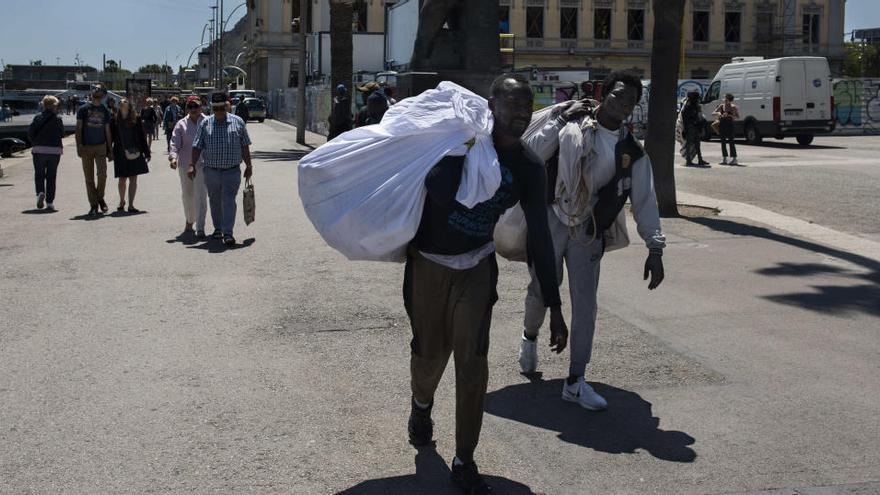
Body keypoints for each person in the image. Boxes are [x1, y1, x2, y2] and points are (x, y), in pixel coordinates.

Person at [405, 74, 568, 494]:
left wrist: (553, 304)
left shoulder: (529, 168)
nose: (520, 114)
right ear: (491, 105)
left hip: (477, 266)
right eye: (511, 104)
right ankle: (421, 405)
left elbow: (541, 238)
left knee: (472, 361)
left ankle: (464, 459)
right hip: (428, 263)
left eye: (526, 106)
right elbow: (439, 192)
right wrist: (465, 149)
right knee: (429, 354)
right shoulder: (463, 144)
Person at [518, 70, 666, 411]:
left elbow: (645, 201)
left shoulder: (632, 152)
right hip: (553, 219)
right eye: (618, 96)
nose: (622, 104)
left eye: (630, 101)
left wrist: (655, 248)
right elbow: (532, 155)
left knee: (585, 305)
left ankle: (575, 380)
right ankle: (529, 337)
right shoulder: (572, 122)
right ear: (604, 94)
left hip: (589, 231)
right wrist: (559, 121)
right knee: (541, 287)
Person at [191, 92, 253, 246]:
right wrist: (192, 165)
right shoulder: (205, 124)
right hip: (211, 171)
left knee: (229, 200)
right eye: (215, 108)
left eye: (221, 108)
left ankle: (228, 232)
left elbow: (245, 145)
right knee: (215, 200)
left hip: (232, 170)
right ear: (212, 108)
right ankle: (218, 228)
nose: (218, 111)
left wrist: (249, 165)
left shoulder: (238, 122)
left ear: (226, 106)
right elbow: (197, 146)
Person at [170, 96, 209, 237]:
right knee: (187, 195)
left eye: (196, 106)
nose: (193, 109)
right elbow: (174, 142)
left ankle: (200, 227)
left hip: (203, 164)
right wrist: (173, 157)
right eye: (190, 107)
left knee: (201, 195)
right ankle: (189, 220)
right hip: (185, 165)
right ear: (187, 108)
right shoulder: (181, 124)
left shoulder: (208, 121)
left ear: (201, 107)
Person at [75, 84, 114, 216]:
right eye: (95, 89)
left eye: (99, 89)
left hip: (101, 146)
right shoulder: (83, 109)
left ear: (103, 94)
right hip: (86, 146)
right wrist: (79, 145)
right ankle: (94, 204)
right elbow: (78, 128)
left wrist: (110, 149)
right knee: (89, 178)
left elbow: (108, 130)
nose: (97, 90)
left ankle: (99, 197)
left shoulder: (105, 110)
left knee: (102, 175)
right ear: (91, 93)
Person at [110, 99, 150, 213]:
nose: (123, 103)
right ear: (119, 106)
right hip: (120, 152)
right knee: (122, 179)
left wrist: (146, 152)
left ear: (129, 105)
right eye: (121, 102)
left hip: (134, 151)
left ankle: (131, 204)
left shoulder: (136, 118)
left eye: (125, 102)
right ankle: (122, 201)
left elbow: (142, 136)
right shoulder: (114, 119)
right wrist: (109, 152)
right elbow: (111, 136)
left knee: (133, 179)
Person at [28, 95, 65, 211]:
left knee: (39, 174)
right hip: (54, 151)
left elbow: (30, 133)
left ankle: (40, 192)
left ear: (44, 105)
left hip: (39, 150)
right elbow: (62, 134)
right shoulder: (58, 119)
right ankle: (50, 202)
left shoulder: (37, 117)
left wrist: (35, 143)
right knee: (51, 176)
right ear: (54, 106)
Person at [681, 91, 709, 167]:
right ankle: (690, 160)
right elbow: (685, 117)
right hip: (691, 127)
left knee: (695, 144)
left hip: (693, 126)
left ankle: (695, 160)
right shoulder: (690, 106)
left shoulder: (691, 105)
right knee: (691, 144)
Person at [714, 93, 740, 165]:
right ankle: (724, 158)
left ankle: (734, 159)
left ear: (729, 100)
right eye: (724, 98)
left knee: (731, 142)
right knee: (723, 142)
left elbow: (738, 116)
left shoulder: (733, 107)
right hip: (722, 124)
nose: (724, 100)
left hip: (729, 125)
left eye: (725, 98)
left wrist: (730, 115)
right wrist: (719, 113)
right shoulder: (721, 106)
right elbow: (713, 112)